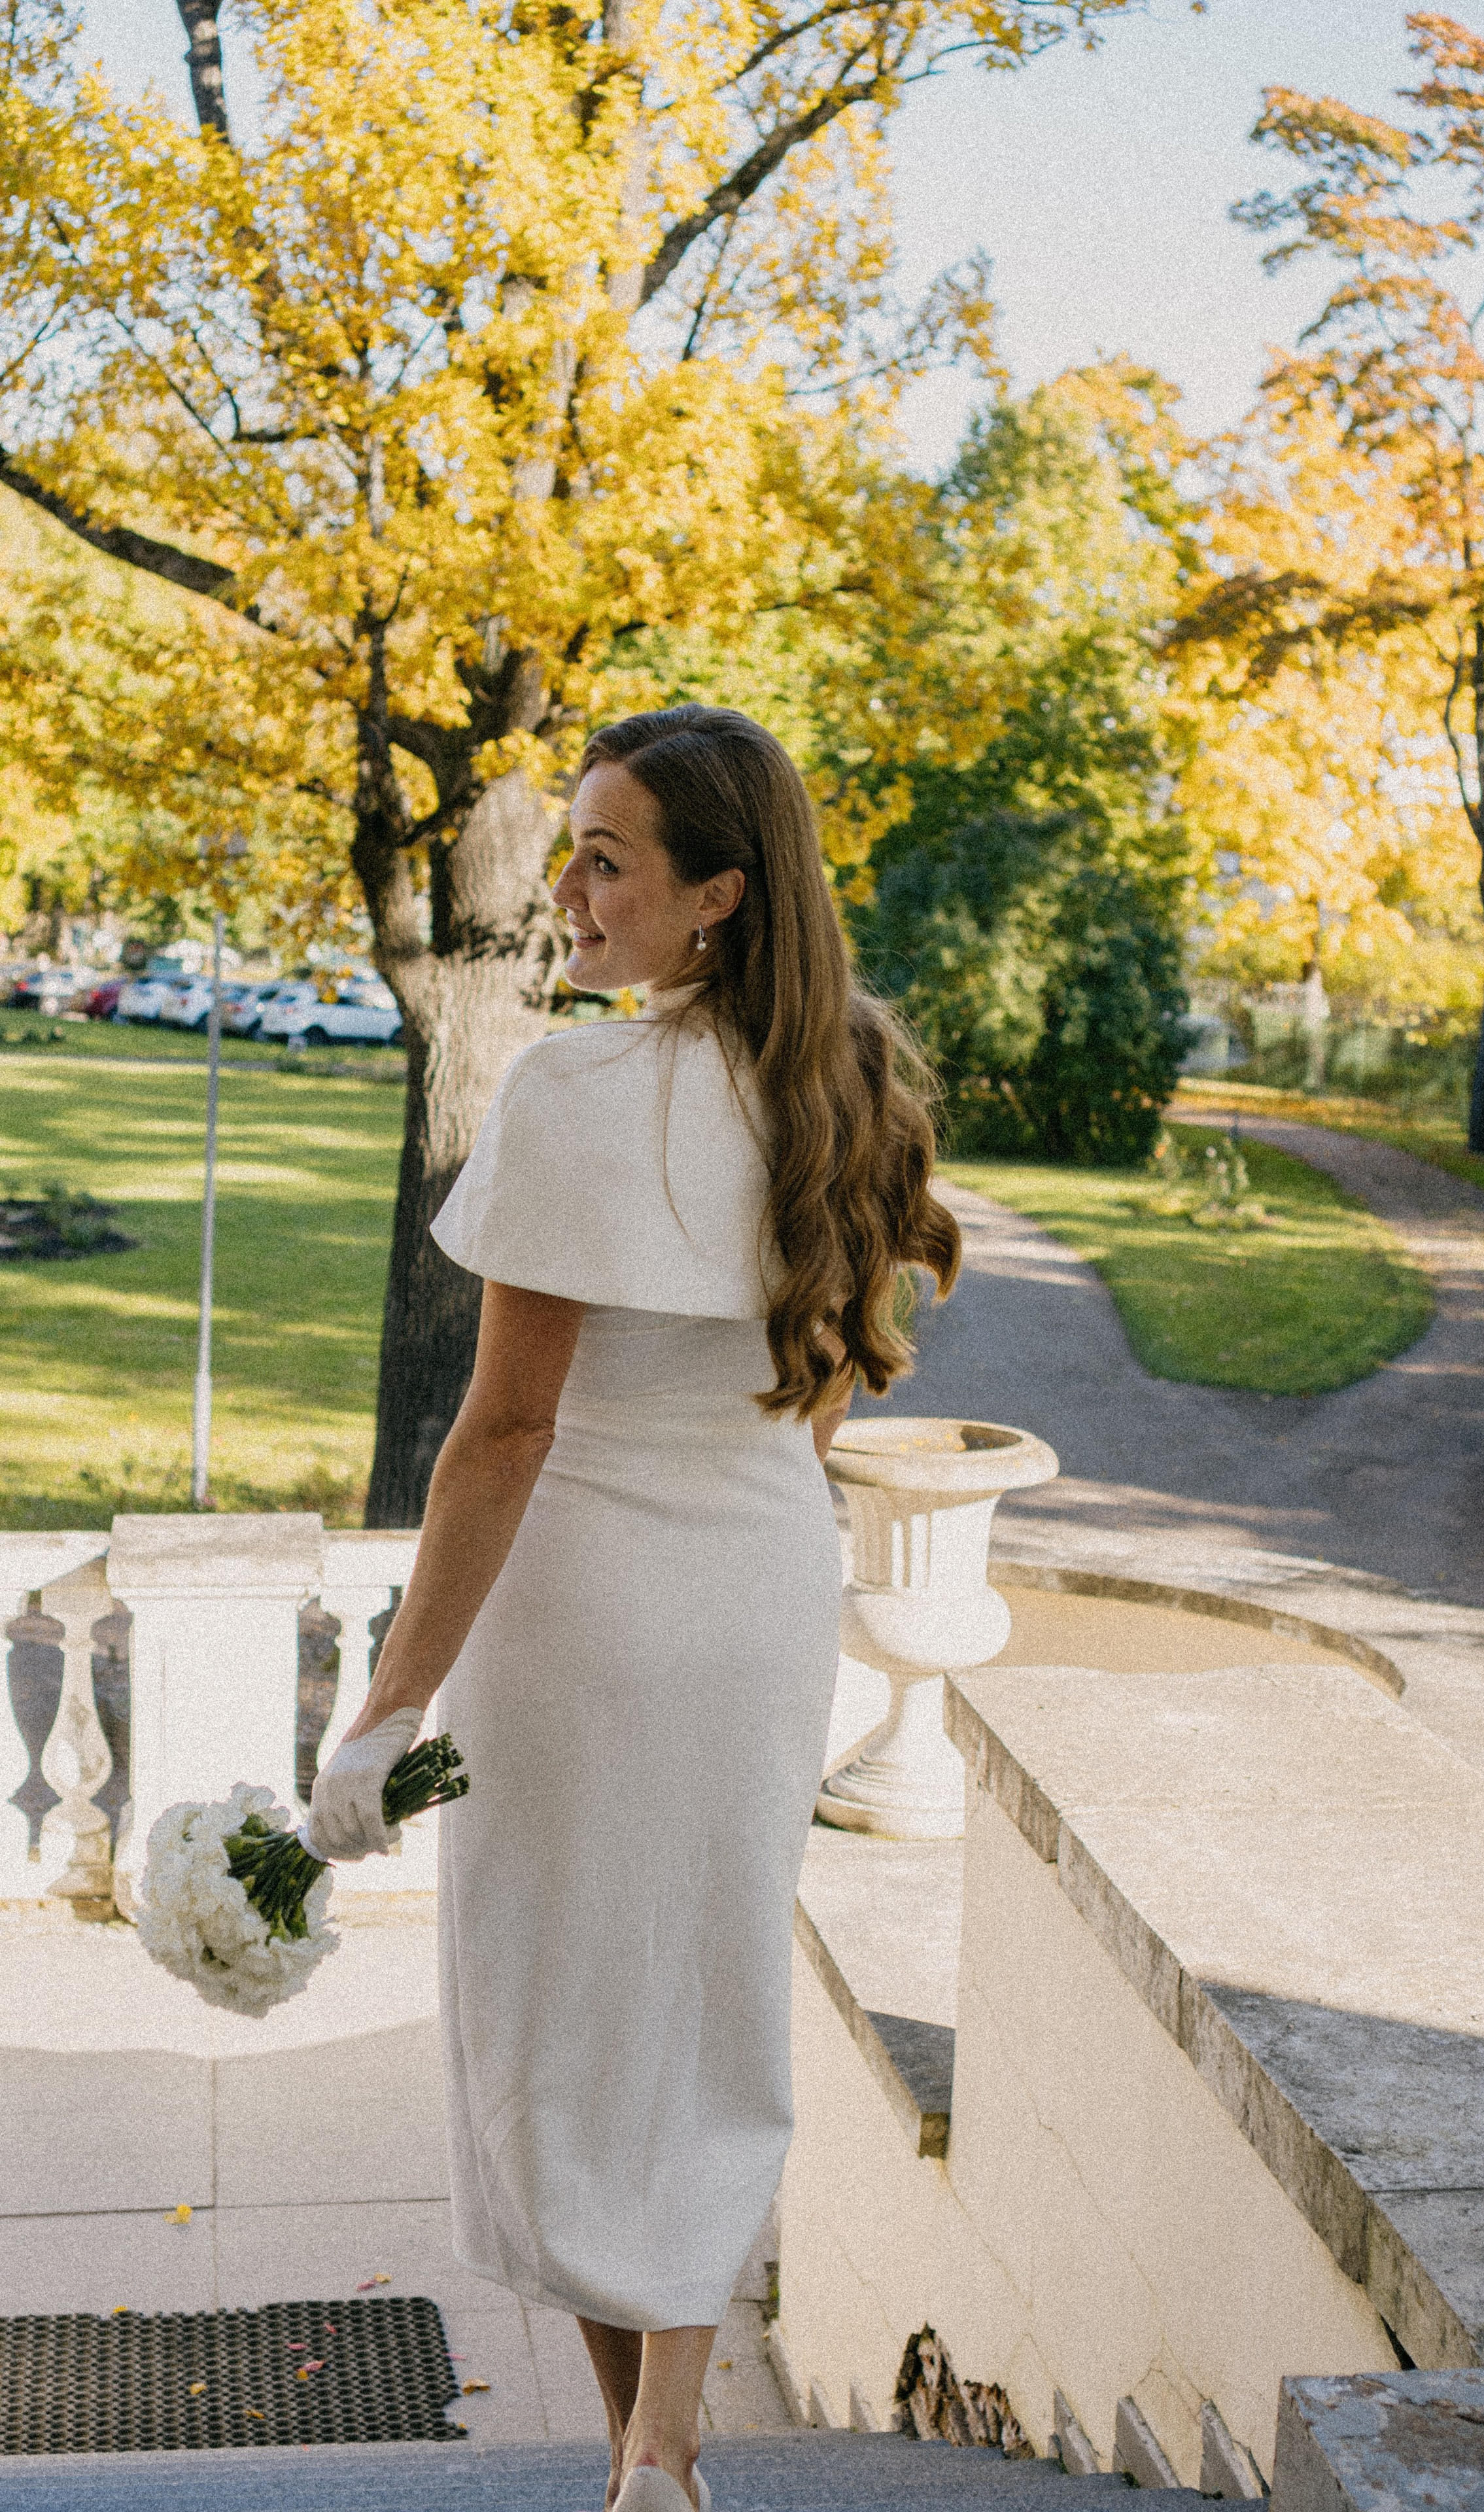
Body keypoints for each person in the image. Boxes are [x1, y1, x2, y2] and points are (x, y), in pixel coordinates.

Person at [303, 706, 961, 2512]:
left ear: (717, 900)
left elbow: (502, 1434)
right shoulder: (852, 1085)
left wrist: (384, 1708)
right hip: (760, 1595)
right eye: (573, 848)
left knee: (559, 2017)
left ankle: (640, 2452)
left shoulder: (577, 1093)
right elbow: (814, 1397)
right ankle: (657, 2455)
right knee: (704, 2005)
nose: (567, 889)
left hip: (583, 1614)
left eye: (608, 859)